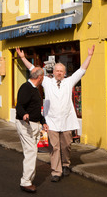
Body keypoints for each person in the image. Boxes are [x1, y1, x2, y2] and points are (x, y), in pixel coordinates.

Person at [17, 45, 95, 182]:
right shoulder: (46, 81)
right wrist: (23, 58)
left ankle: (66, 164)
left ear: (64, 73)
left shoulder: (69, 81)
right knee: (54, 147)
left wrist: (89, 56)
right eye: (57, 70)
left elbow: (82, 70)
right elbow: (32, 69)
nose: (59, 73)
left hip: (66, 120)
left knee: (66, 146)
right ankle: (56, 171)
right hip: (51, 120)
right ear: (53, 72)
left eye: (61, 71)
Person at [16, 67, 49, 193]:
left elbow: (35, 108)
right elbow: (19, 105)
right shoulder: (26, 88)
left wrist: (43, 122)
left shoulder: (35, 89)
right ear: (39, 77)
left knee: (31, 151)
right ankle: (25, 182)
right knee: (31, 151)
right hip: (26, 124)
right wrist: (24, 114)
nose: (43, 79)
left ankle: (28, 179)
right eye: (43, 76)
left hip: (34, 124)